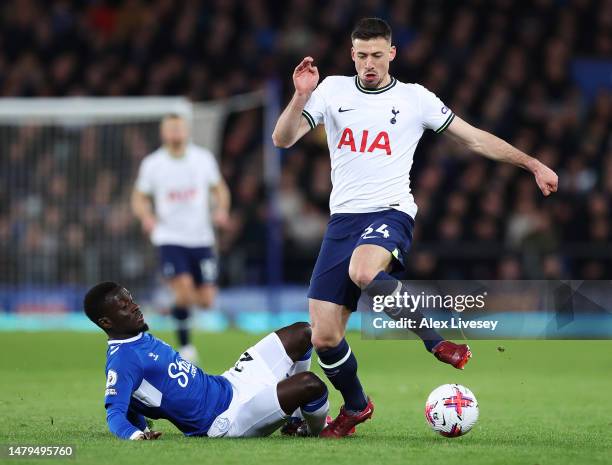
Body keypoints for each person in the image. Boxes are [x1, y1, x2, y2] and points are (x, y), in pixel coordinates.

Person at [272, 17, 558, 438]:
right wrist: (300, 96)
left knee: (365, 271)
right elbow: (283, 138)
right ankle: (356, 408)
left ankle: (435, 339)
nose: (369, 63)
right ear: (352, 55)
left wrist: (532, 163)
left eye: (377, 55)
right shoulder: (330, 89)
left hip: (390, 211)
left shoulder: (414, 99)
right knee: (325, 337)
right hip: (342, 221)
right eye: (362, 55)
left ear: (392, 54)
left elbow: (474, 138)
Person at [84, 282, 330, 439]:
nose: (135, 307)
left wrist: (140, 421)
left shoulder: (137, 340)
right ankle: (318, 432)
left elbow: (136, 400)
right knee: (310, 384)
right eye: (125, 307)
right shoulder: (122, 360)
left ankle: (297, 420)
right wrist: (136, 436)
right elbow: (115, 412)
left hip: (231, 383)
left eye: (131, 299)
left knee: (304, 333)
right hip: (227, 420)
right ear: (106, 322)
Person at [132, 114, 231, 362]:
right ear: (163, 133)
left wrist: (221, 210)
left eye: (179, 128)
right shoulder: (153, 164)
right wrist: (146, 216)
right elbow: (139, 197)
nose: (175, 132)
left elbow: (219, 188)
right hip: (169, 237)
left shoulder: (202, 159)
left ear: (187, 131)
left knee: (207, 301)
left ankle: (174, 310)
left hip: (201, 238)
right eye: (171, 128)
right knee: (185, 292)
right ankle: (186, 346)